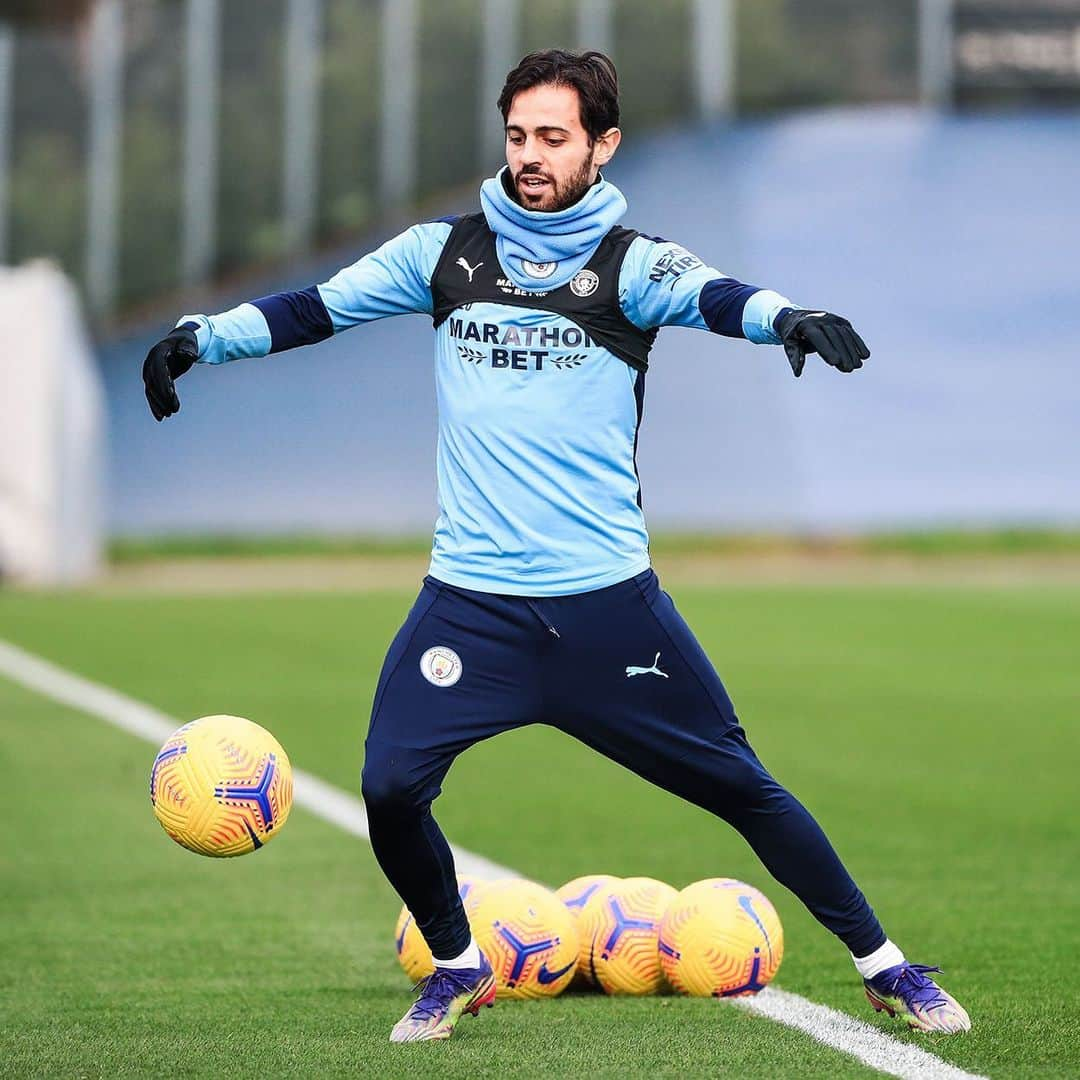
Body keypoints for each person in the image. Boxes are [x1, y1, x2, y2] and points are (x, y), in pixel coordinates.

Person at [143, 49, 970, 1043]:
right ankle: (456, 964)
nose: (530, 156)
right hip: (471, 609)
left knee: (743, 787)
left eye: (554, 137)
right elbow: (313, 308)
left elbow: (718, 294)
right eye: (518, 136)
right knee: (388, 788)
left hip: (607, 611)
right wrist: (204, 335)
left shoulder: (632, 265)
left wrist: (785, 318)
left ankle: (887, 968)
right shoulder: (442, 256)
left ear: (602, 144)